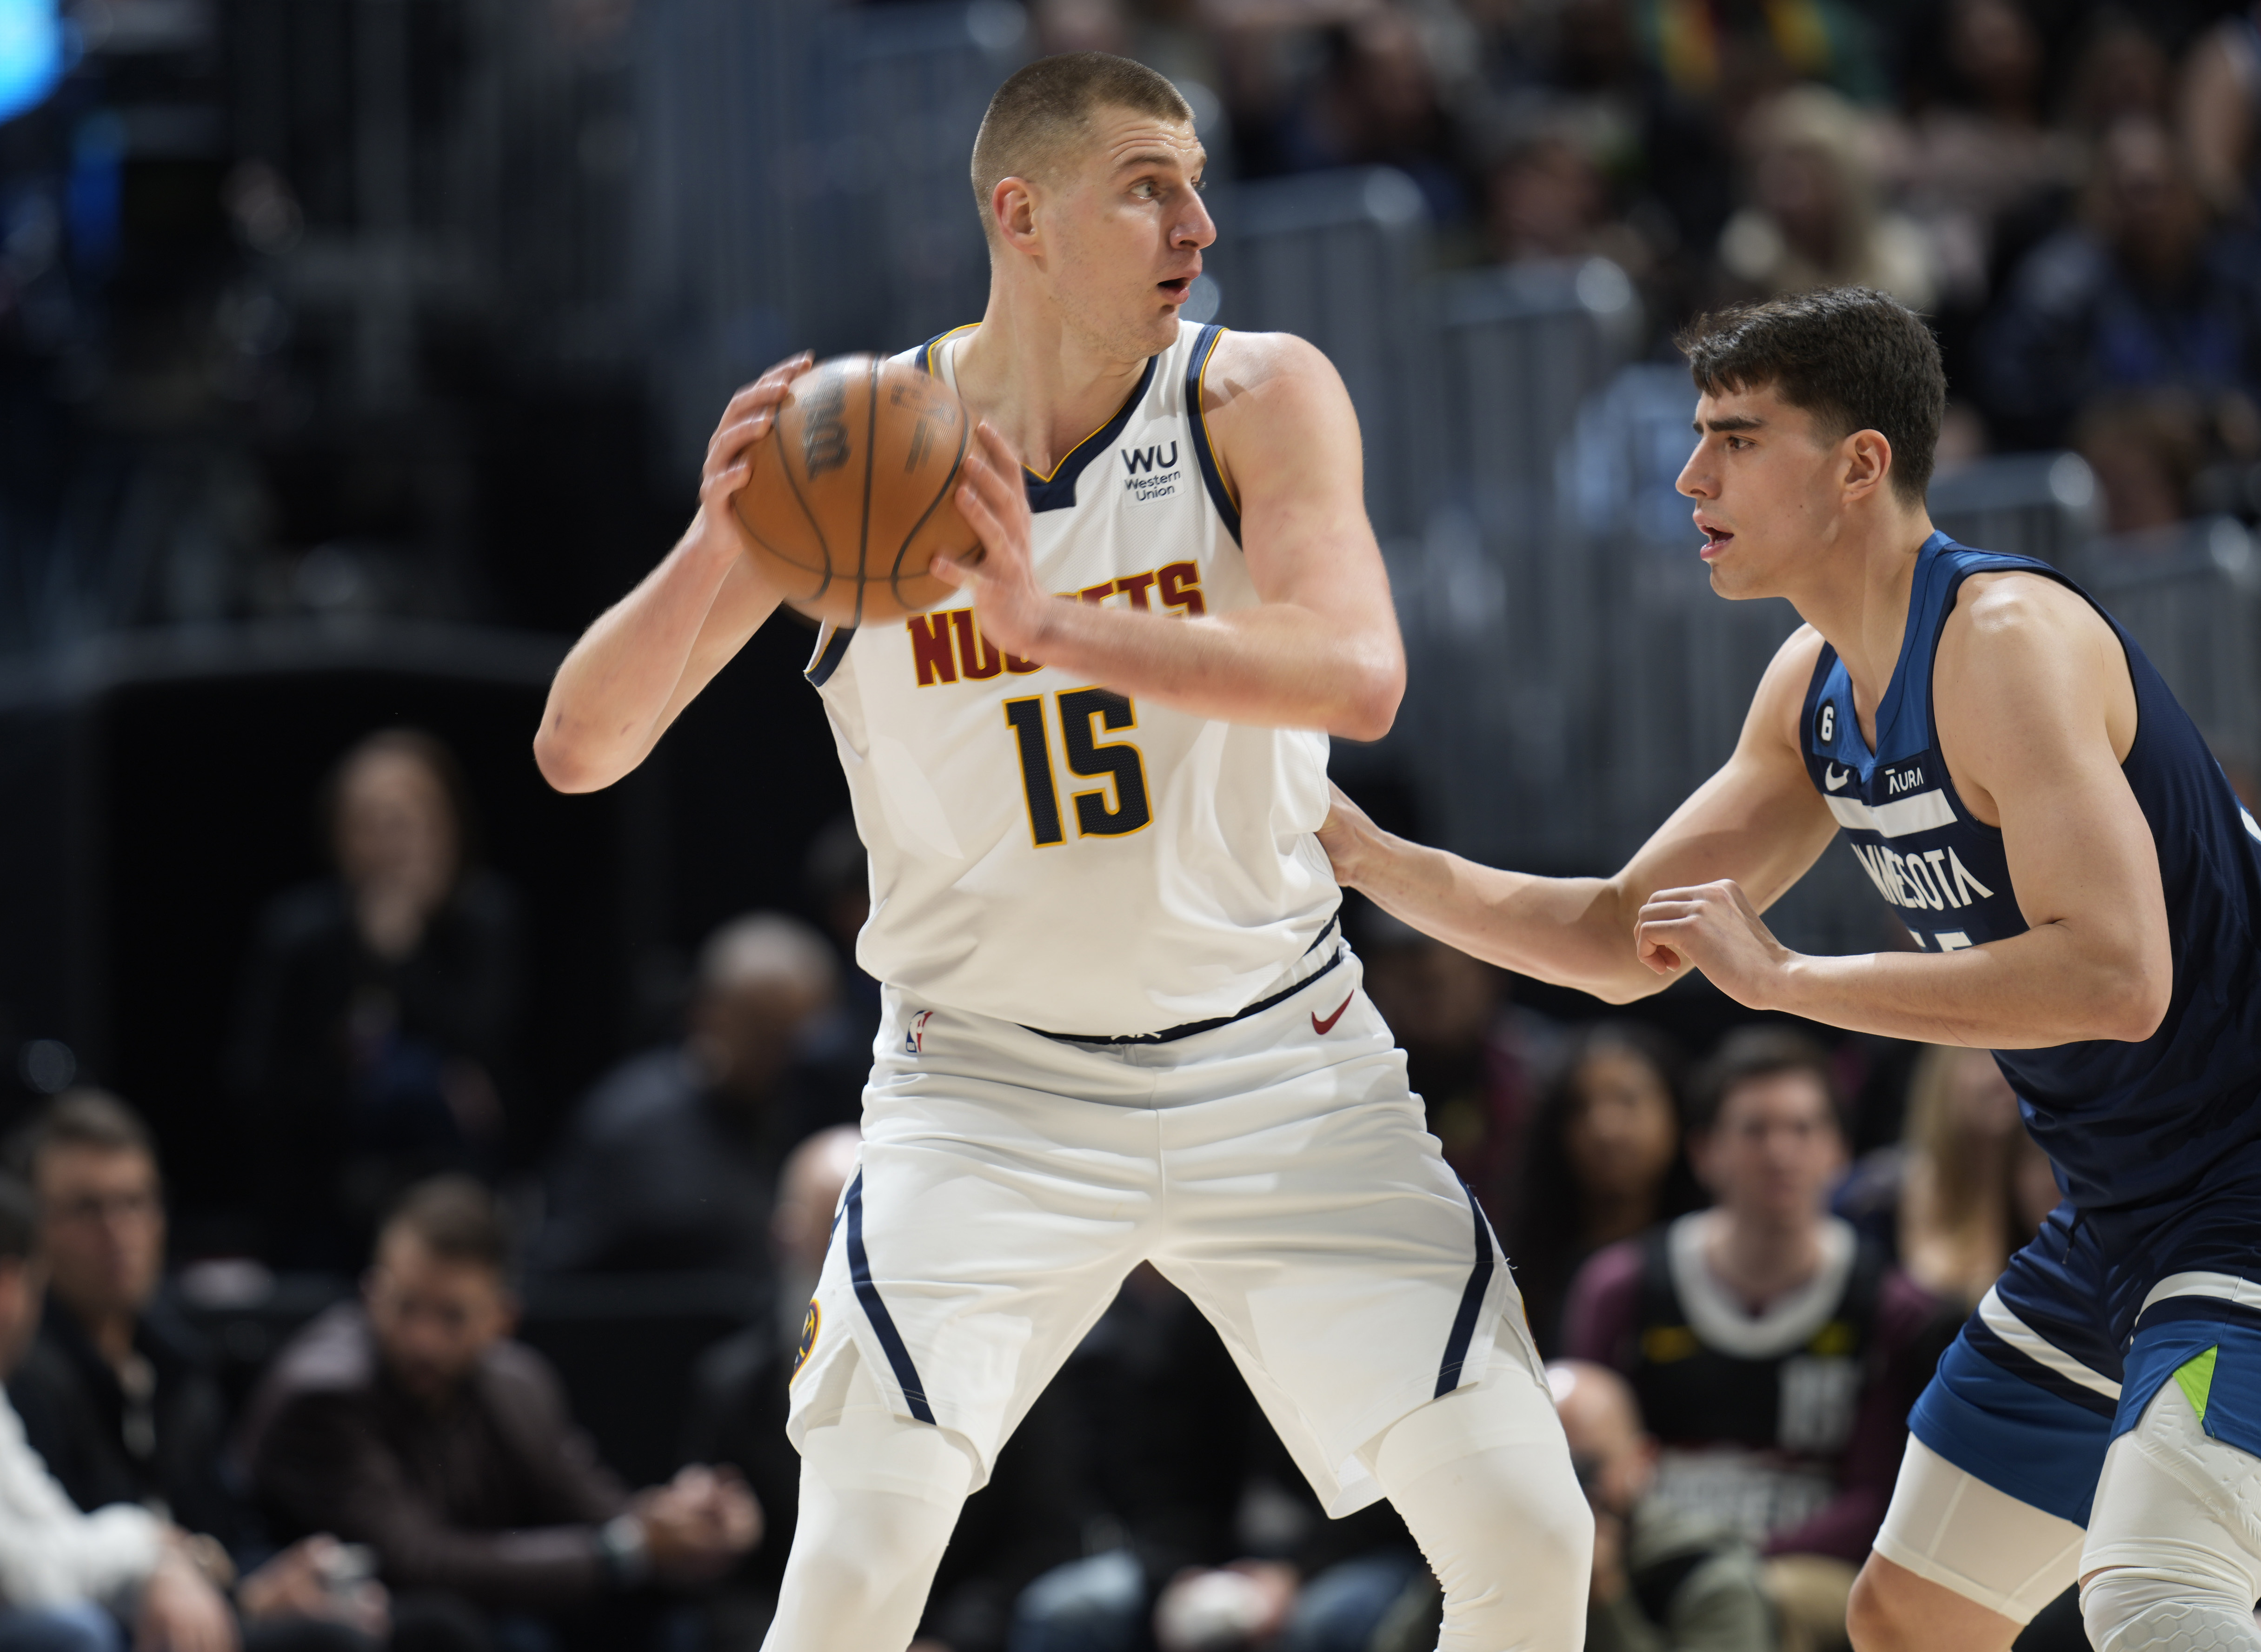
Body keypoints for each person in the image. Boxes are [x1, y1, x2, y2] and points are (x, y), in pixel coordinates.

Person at [532, 49, 1589, 1652]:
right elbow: (580, 748)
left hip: (1277, 1063)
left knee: (1528, 1533)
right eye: (1149, 187)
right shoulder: (870, 443)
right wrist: (715, 536)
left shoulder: (1255, 393)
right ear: (1021, 216)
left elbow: (1359, 671)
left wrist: (1047, 624)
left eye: (1200, 181)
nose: (1201, 224)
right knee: (851, 1575)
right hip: (989, 1092)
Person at [1317, 283, 2261, 1652]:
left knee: (2159, 1590)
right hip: (2128, 1214)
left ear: (1859, 463)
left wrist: (1791, 980)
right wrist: (1362, 854)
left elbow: (2118, 978)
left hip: (2244, 1186)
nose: (1691, 474)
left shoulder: (2001, 645)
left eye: (1736, 438)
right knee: (1911, 1613)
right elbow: (1620, 936)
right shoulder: (1815, 683)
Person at [242, 1177, 757, 1651]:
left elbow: (593, 1506)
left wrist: (682, 1522)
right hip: (370, 1623)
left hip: (480, 1609)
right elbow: (417, 1560)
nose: (422, 1338)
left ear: (501, 1318)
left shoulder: (517, 1383)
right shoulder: (325, 1396)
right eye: (404, 1306)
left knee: (660, 1615)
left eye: (451, 1316)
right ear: (372, 1291)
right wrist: (621, 1551)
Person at [1561, 1029, 1948, 1652]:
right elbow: (1581, 1450)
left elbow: (1880, 1498)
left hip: (1797, 1570)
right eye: (1754, 1129)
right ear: (1703, 1151)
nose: (1780, 1152)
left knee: (1758, 1597)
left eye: (1803, 1129)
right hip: (1647, 1550)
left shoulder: (1892, 1307)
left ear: (1840, 1152)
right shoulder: (1621, 1287)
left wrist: (1725, 1559)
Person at [4, 1092, 385, 1652]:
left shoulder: (180, 1363)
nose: (118, 1231)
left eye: (135, 1202)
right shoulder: (21, 1372)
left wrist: (273, 1582)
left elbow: (222, 1532)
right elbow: (56, 1572)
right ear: (31, 1236)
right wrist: (169, 1557)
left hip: (194, 1611)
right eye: (87, 1208)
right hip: (125, 1623)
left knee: (390, 1619)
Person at [229, 729, 521, 1269]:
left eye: (414, 820)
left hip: (453, 1192)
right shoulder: (298, 936)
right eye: (374, 824)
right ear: (339, 836)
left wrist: (403, 958)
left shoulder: (484, 920)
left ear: (451, 827)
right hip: (326, 1193)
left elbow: (490, 1057)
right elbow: (260, 1084)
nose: (398, 843)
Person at [1376, 1359, 1776, 1652]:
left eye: (1586, 1465)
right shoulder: (1500, 1545)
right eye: (1542, 1462)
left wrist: (1603, 1597)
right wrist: (1451, 1579)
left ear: (1642, 1460)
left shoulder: (1704, 1573)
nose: (1565, 1486)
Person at [533, 912, 851, 1280]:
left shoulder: (820, 1107)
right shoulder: (632, 1124)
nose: (783, 1055)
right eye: (763, 1032)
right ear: (709, 1013)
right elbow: (560, 1277)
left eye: (801, 1037)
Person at [1510, 1021, 1701, 1356]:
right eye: (1580, 1107)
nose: (1604, 1127)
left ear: (1676, 1114)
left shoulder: (1711, 1258)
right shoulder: (1519, 1266)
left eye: (1628, 1101)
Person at [1889, 1044, 2057, 1313]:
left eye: (2015, 1052)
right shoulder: (1880, 1199)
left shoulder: (2057, 1188)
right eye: (1980, 1052)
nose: (1997, 1074)